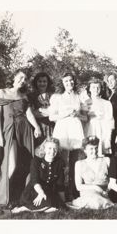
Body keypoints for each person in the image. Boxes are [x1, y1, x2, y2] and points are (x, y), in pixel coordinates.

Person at [0, 70, 42, 206]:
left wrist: (36, 127)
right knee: (11, 164)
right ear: (13, 77)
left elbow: (29, 114)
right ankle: (3, 197)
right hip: (9, 130)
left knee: (27, 162)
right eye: (20, 77)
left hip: (25, 130)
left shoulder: (24, 95)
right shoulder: (2, 92)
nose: (23, 80)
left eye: (25, 79)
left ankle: (23, 194)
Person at [49, 72, 87, 201]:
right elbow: (51, 116)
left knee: (75, 163)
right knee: (62, 163)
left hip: (76, 130)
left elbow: (85, 117)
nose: (69, 83)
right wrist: (65, 114)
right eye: (66, 81)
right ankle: (60, 191)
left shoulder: (80, 96)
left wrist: (77, 115)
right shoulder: (57, 97)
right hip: (63, 130)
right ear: (62, 83)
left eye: (71, 80)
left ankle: (73, 191)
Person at [12, 138, 65, 213]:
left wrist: (63, 201)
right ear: (44, 149)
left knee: (56, 205)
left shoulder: (59, 163)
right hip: (34, 190)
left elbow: (60, 184)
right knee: (50, 204)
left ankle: (35, 209)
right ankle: (24, 208)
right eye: (49, 148)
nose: (52, 151)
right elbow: (35, 180)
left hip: (49, 191)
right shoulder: (36, 161)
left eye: (55, 149)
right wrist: (41, 193)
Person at [68, 136, 114, 209]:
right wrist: (96, 188)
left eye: (96, 148)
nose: (94, 151)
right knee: (94, 201)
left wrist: (107, 190)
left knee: (97, 202)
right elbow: (79, 187)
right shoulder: (79, 164)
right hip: (88, 192)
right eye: (91, 149)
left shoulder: (106, 160)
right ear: (85, 150)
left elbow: (112, 181)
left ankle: (102, 202)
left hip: (105, 192)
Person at [83, 77, 115, 156]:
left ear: (101, 89)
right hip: (89, 130)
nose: (96, 89)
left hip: (102, 131)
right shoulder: (85, 103)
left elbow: (110, 121)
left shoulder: (106, 103)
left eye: (98, 87)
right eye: (93, 87)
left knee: (101, 154)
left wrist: (108, 138)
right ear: (89, 89)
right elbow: (83, 120)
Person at [28, 72, 55, 149]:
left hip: (52, 127)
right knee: (39, 151)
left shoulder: (53, 95)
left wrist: (40, 110)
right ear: (36, 82)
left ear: (48, 83)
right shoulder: (31, 96)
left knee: (51, 150)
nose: (42, 83)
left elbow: (56, 112)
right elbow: (32, 113)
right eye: (40, 81)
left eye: (44, 81)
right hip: (37, 127)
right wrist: (49, 112)